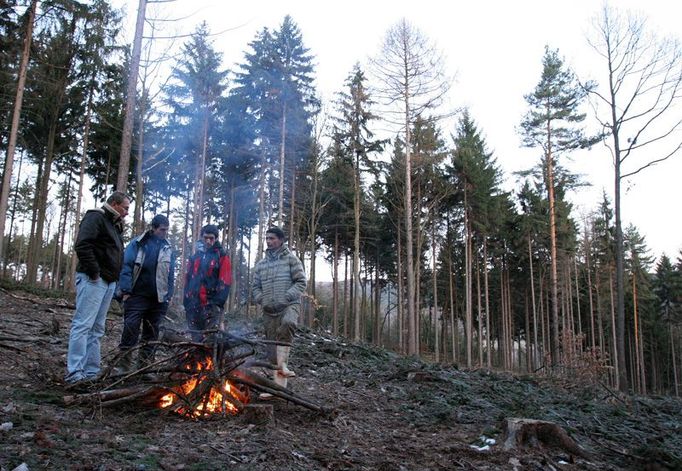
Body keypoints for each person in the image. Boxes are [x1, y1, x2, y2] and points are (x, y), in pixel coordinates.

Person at [65, 191, 130, 385]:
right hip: (94, 279)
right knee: (83, 325)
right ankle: (74, 373)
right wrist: (94, 272)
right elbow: (83, 245)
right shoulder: (96, 217)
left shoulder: (114, 225)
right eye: (125, 208)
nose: (127, 212)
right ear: (114, 204)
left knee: (97, 328)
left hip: (109, 282)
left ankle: (91, 373)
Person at [114, 214, 175, 375]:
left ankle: (145, 368)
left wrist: (169, 294)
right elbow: (126, 267)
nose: (165, 233)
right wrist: (125, 291)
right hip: (136, 296)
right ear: (153, 228)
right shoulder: (137, 244)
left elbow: (170, 274)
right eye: (162, 230)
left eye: (167, 230)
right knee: (130, 329)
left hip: (158, 299)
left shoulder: (167, 248)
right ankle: (123, 368)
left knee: (152, 333)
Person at [252, 226, 307, 393]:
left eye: (272, 238)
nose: (269, 241)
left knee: (288, 323)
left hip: (289, 305)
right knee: (271, 347)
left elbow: (301, 282)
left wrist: (288, 296)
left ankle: (283, 365)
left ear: (281, 240)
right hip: (269, 309)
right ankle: (276, 389)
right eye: (267, 238)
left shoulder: (291, 259)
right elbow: (255, 287)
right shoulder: (261, 264)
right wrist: (261, 299)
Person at [183, 224, 232, 342]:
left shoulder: (221, 256)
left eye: (211, 238)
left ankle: (213, 359)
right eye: (206, 238)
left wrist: (217, 303)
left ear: (216, 239)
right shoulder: (195, 257)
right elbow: (187, 279)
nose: (208, 241)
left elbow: (225, 281)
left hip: (211, 306)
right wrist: (186, 300)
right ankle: (196, 359)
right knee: (196, 339)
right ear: (201, 237)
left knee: (210, 340)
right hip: (193, 305)